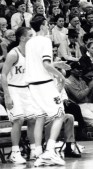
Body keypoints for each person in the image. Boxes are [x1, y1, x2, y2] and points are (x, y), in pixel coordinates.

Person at [25, 14, 67, 166]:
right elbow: (46, 65)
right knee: (60, 114)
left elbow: (40, 63)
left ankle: (38, 152)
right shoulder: (46, 40)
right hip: (44, 84)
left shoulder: (29, 42)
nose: (49, 26)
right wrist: (61, 77)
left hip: (32, 85)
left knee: (40, 117)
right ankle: (49, 151)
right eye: (47, 24)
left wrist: (58, 64)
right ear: (42, 25)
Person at [1, 27, 36, 164]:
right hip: (14, 89)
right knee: (18, 120)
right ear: (22, 38)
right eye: (30, 35)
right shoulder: (13, 54)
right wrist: (7, 96)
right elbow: (3, 75)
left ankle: (34, 150)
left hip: (27, 89)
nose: (32, 38)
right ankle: (15, 152)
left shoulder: (31, 53)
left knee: (33, 119)